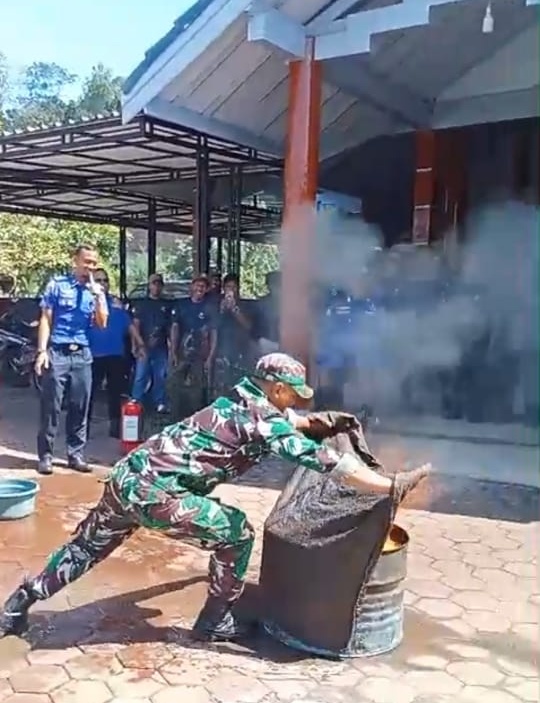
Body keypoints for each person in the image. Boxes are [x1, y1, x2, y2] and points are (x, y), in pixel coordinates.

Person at [0, 352, 430, 643]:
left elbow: (284, 420)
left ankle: (19, 604)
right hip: (159, 494)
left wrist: (317, 421)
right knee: (238, 533)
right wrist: (390, 485)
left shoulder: (240, 398)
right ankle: (214, 620)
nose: (294, 399)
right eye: (292, 392)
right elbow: (329, 463)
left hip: (126, 479)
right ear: (275, 388)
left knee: (84, 548)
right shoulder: (264, 419)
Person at [35, 244, 109, 475]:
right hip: (58, 351)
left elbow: (102, 323)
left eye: (94, 263)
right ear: (75, 261)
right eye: (86, 262)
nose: (90, 267)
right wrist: (42, 351)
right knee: (52, 406)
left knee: (80, 406)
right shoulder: (57, 285)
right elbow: (46, 319)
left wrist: (99, 297)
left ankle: (75, 454)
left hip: (82, 354)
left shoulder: (96, 291)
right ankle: (46, 456)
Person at [88, 269, 144, 438]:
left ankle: (115, 428)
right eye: (98, 280)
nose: (102, 283)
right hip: (92, 354)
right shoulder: (86, 301)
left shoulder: (115, 303)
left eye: (105, 280)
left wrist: (140, 343)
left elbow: (129, 324)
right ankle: (83, 429)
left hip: (115, 354)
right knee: (88, 392)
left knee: (116, 392)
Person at [169, 275, 218, 419]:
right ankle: (175, 417)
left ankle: (195, 418)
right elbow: (175, 328)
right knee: (174, 383)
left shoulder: (210, 308)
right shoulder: (181, 305)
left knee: (198, 388)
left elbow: (213, 332)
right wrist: (173, 352)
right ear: (192, 287)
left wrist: (210, 357)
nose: (200, 288)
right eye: (197, 285)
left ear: (206, 289)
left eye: (203, 286)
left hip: (200, 353)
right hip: (181, 351)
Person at [130, 273, 171, 413]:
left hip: (161, 346)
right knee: (140, 375)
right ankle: (136, 401)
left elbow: (171, 327)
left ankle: (159, 402)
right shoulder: (142, 304)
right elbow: (135, 325)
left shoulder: (167, 304)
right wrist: (135, 345)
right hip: (144, 345)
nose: (156, 286)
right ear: (149, 286)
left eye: (159, 284)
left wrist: (171, 346)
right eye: (154, 283)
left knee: (160, 376)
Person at [214, 273, 253, 395]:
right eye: (228, 287)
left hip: (240, 346)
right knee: (221, 379)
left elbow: (248, 326)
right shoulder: (216, 303)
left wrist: (234, 309)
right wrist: (222, 309)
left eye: (234, 287)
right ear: (223, 288)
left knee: (239, 378)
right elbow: (212, 325)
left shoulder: (245, 304)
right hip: (220, 347)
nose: (231, 290)